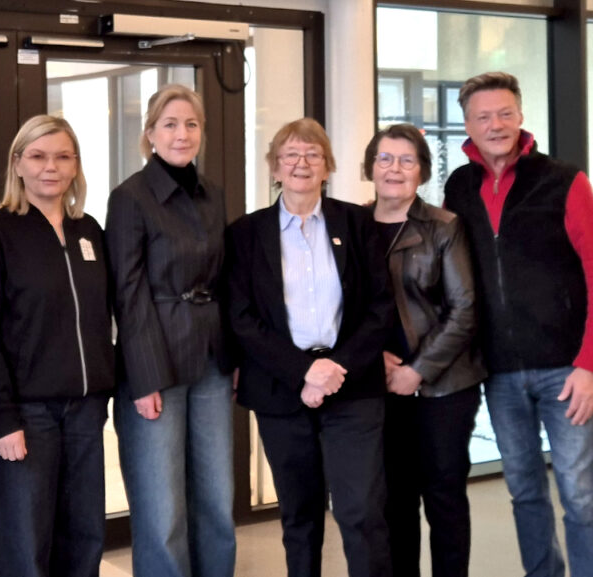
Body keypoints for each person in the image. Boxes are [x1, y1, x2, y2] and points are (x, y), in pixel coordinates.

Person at [225, 117, 394, 577]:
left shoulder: (357, 223)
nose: (301, 163)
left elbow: (380, 306)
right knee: (298, 516)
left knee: (361, 512)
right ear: (274, 167)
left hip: (352, 386)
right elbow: (241, 318)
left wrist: (334, 368)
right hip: (280, 389)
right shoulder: (245, 233)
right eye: (290, 155)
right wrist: (304, 371)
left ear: (327, 166)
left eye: (313, 154)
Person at [443, 71, 593, 577]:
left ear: (521, 117)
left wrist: (589, 364)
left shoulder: (565, 181)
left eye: (505, 113)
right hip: (500, 371)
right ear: (468, 125)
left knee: (580, 493)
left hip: (566, 370)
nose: (496, 125)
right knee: (525, 491)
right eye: (484, 117)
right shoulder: (459, 187)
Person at [0, 115, 114, 577]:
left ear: (76, 166)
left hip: (86, 409)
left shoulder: (89, 231)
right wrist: (3, 416)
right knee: (27, 544)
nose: (51, 167)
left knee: (85, 537)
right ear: (18, 163)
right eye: (38, 156)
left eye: (63, 157)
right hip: (26, 414)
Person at [105, 84, 236, 577]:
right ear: (151, 134)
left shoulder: (213, 195)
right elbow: (128, 292)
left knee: (217, 498)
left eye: (191, 124)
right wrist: (144, 378)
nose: (182, 134)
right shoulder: (130, 197)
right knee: (162, 508)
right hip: (154, 363)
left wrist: (234, 358)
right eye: (170, 124)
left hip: (211, 361)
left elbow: (227, 280)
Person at [365, 123, 486, 577]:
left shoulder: (444, 226)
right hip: (378, 387)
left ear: (422, 171)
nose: (394, 169)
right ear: (370, 167)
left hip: (445, 385)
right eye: (384, 159)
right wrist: (371, 360)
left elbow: (465, 309)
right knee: (394, 502)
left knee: (444, 498)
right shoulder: (352, 225)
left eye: (406, 160)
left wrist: (416, 371)